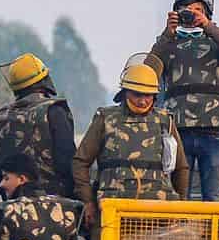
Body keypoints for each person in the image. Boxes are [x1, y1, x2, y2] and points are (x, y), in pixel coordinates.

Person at [147, 0, 219, 201]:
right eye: (185, 9)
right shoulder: (169, 42)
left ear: (207, 12)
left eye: (196, 9)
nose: (190, 13)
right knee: (176, 195)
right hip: (178, 128)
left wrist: (208, 27)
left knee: (213, 196)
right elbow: (148, 72)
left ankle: (211, 235)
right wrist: (167, 35)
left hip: (214, 129)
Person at [71, 60, 189, 227]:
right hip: (113, 210)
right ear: (125, 93)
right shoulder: (105, 119)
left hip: (158, 212)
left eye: (147, 95)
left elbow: (180, 167)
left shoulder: (165, 121)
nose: (142, 101)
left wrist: (180, 205)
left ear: (154, 96)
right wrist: (88, 202)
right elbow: (80, 162)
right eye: (137, 94)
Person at [0, 53, 76, 199]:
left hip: (12, 208)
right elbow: (67, 165)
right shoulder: (54, 112)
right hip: (54, 209)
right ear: (44, 80)